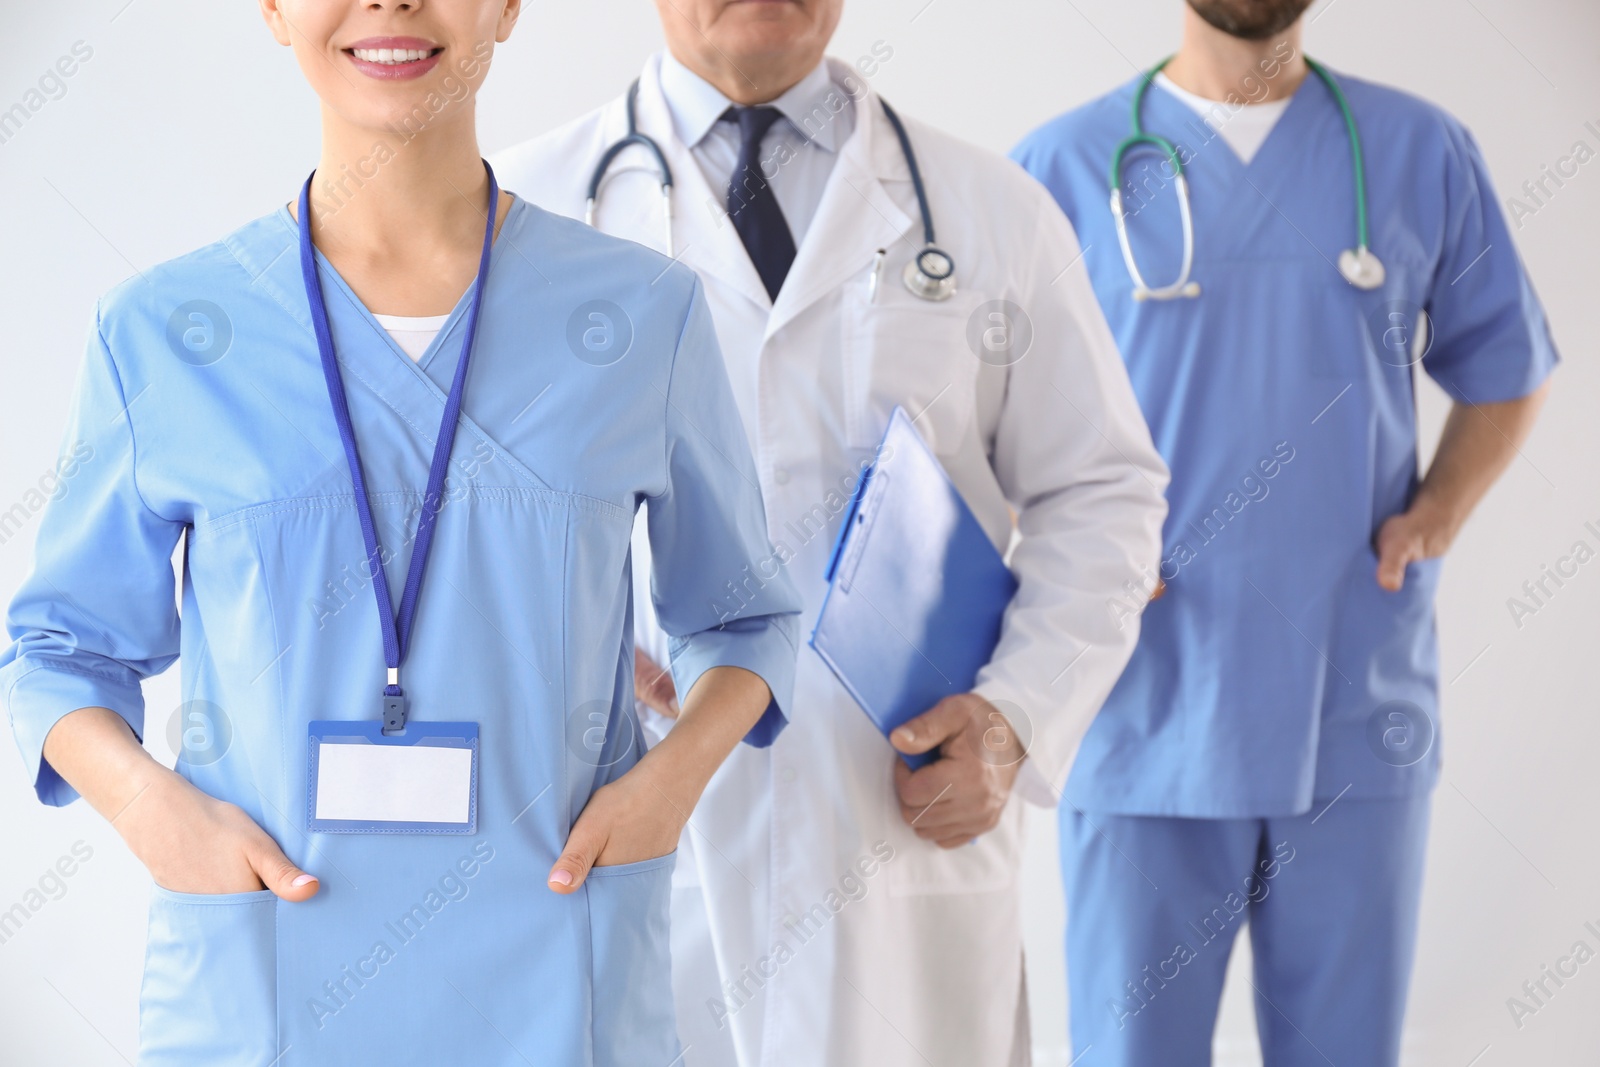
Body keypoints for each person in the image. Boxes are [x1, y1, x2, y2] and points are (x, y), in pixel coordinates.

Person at [1, 1, 802, 1063]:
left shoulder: (640, 315)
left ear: (508, 6)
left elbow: (743, 614)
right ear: (275, 9)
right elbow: (59, 646)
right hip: (265, 974)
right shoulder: (165, 329)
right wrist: (156, 814)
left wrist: (668, 785)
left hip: (561, 966)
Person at [493, 2, 1168, 1064]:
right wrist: (540, 634)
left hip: (892, 822)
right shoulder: (518, 210)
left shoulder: (991, 211)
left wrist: (1013, 717)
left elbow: (1103, 492)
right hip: (628, 807)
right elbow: (424, 514)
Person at [1011, 1, 1556, 1063]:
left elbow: (1506, 360)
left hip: (1352, 696)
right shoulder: (1060, 164)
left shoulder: (1417, 150)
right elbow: (972, 408)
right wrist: (1061, 554)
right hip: (1139, 701)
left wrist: (1438, 509)